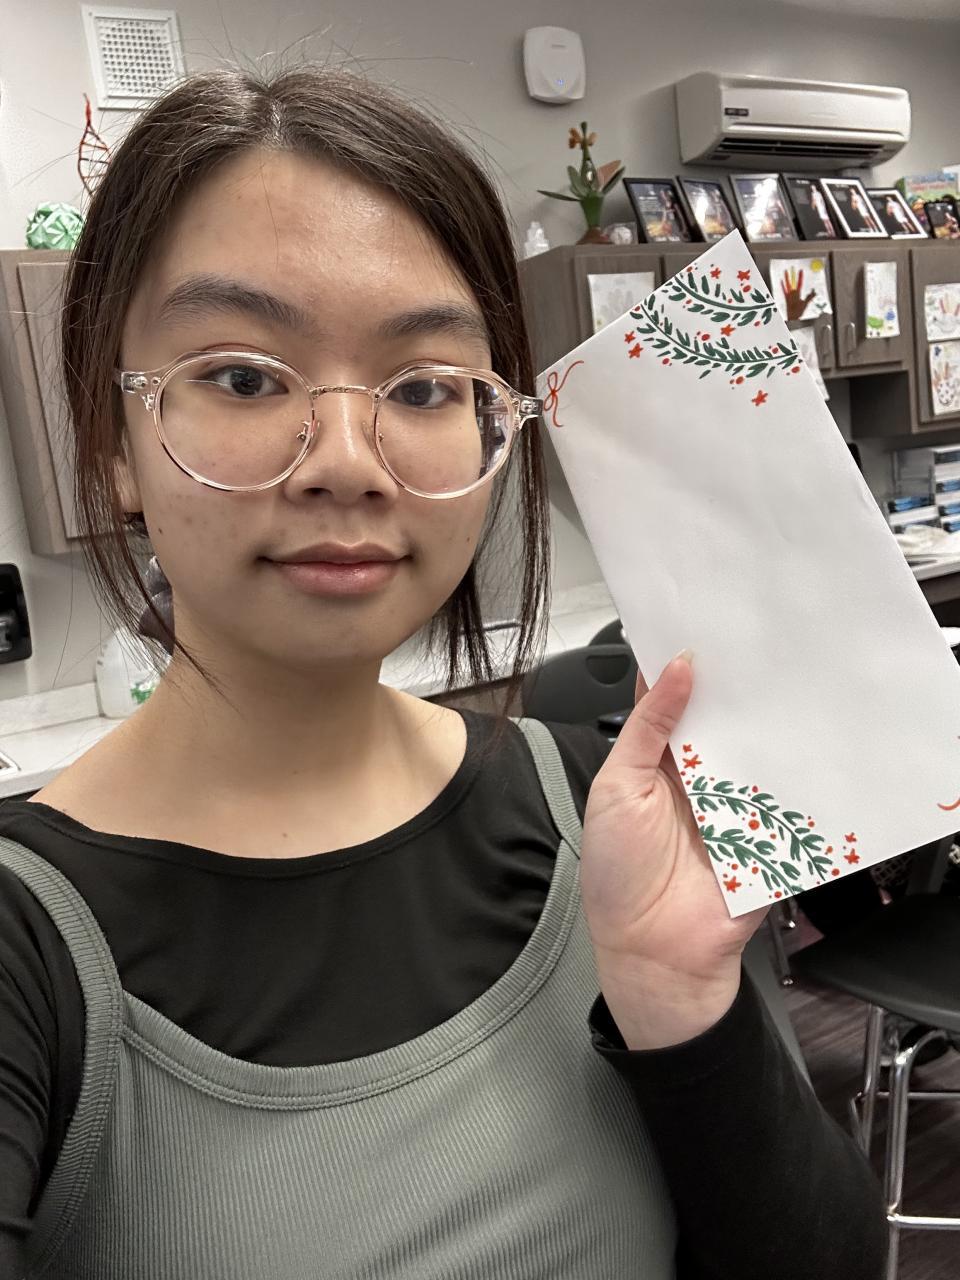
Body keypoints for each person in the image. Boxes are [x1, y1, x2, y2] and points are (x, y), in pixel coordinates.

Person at [0, 68, 887, 1279]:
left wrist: (683, 1003)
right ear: (112, 442)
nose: (347, 461)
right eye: (244, 375)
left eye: (422, 386)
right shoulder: (28, 946)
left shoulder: (589, 810)